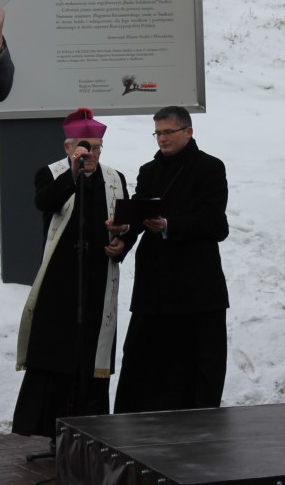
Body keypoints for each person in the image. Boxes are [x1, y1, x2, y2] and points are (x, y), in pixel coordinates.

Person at [13, 109, 134, 450]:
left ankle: (92, 433)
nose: (91, 154)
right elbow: (45, 203)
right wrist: (73, 173)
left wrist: (122, 241)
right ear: (68, 147)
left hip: (98, 278)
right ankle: (55, 433)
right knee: (56, 356)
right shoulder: (50, 174)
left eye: (96, 148)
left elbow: (127, 222)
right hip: (59, 281)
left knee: (90, 355)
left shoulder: (114, 178)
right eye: (84, 147)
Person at [114, 106, 229, 413]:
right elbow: (138, 216)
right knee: (143, 358)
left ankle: (196, 429)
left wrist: (170, 226)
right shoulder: (149, 171)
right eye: (158, 133)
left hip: (196, 288)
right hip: (155, 288)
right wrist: (122, 235)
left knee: (194, 363)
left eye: (168, 132)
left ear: (188, 132)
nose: (162, 139)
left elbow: (216, 224)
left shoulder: (210, 168)